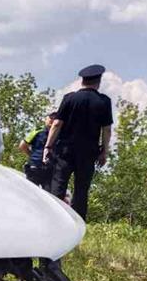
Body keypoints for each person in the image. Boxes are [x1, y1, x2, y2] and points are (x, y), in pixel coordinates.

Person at [43, 64, 113, 221]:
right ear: (99, 81)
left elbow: (56, 124)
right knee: (81, 189)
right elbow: (106, 130)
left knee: (58, 186)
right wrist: (104, 152)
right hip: (88, 151)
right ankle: (78, 222)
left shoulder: (70, 98)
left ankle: (55, 220)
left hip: (65, 150)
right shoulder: (104, 102)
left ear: (82, 81)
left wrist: (48, 146)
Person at [18, 110, 57, 187]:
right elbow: (22, 145)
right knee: (31, 193)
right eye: (51, 117)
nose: (52, 120)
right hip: (35, 167)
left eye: (55, 118)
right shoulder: (37, 131)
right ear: (46, 118)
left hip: (49, 170)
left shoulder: (59, 134)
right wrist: (31, 155)